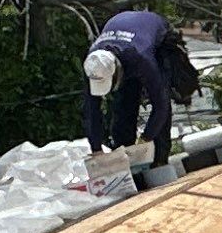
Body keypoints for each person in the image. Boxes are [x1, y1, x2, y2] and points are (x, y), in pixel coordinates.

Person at [82, 8, 198, 162]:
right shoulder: (92, 65)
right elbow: (91, 110)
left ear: (117, 71)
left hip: (154, 39)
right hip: (126, 40)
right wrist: (96, 149)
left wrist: (146, 138)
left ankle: (159, 160)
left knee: (161, 97)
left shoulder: (142, 58)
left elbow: (160, 105)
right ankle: (124, 155)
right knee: (123, 106)